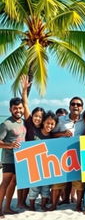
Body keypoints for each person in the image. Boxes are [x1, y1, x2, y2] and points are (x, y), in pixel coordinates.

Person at [49, 77, 85, 211]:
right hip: (62, 156)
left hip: (80, 156)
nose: (76, 106)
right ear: (69, 106)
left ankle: (78, 205)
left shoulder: (84, 120)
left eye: (79, 105)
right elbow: (50, 134)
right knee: (58, 183)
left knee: (79, 183)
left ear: (81, 108)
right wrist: (62, 134)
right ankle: (54, 205)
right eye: (73, 104)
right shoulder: (60, 120)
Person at [19, 75, 46, 208]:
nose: (37, 119)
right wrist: (24, 90)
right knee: (26, 183)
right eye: (35, 116)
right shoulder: (29, 123)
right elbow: (25, 104)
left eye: (40, 117)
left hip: (41, 161)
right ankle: (23, 203)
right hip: (28, 158)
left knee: (38, 185)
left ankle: (39, 202)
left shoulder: (44, 129)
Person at [0, 97, 27, 218]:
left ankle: (7, 207)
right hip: (8, 158)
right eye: (15, 108)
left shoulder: (24, 122)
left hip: (20, 158)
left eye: (20, 108)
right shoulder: (6, 124)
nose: (18, 110)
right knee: (5, 183)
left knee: (14, 182)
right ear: (10, 109)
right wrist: (9, 145)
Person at [28, 111, 58, 211]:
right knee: (34, 187)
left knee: (46, 187)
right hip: (35, 164)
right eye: (47, 123)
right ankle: (32, 205)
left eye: (52, 124)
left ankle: (43, 205)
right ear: (43, 122)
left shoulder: (52, 136)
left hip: (47, 165)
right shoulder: (35, 132)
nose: (49, 125)